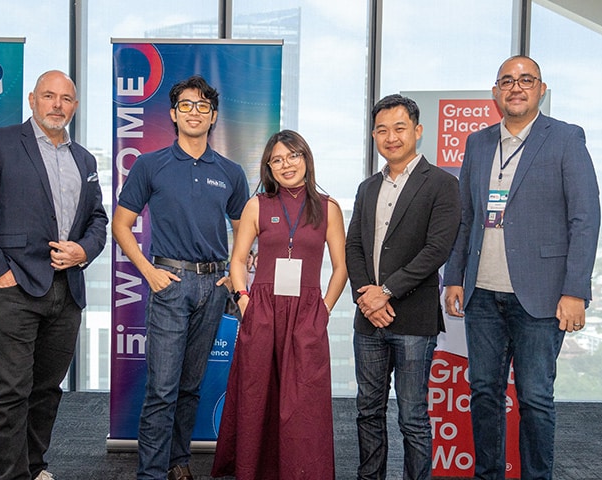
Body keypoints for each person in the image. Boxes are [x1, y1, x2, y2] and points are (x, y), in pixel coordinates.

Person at [443, 55, 601, 480]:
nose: (516, 87)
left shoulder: (566, 138)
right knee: (484, 394)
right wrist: (454, 277)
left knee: (534, 398)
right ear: (495, 92)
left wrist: (575, 291)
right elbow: (466, 216)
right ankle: (488, 475)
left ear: (541, 89)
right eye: (507, 81)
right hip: (482, 296)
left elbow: (584, 218)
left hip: (542, 297)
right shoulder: (477, 143)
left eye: (525, 80)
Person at [0, 70, 108, 480]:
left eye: (66, 98)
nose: (57, 104)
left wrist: (84, 250)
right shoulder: (0, 143)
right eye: (49, 96)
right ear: (32, 100)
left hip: (66, 292)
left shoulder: (85, 159)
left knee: (45, 392)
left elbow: (97, 220)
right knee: (10, 392)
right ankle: (11, 475)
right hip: (12, 289)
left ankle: (34, 468)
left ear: (74, 106)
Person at [111, 75, 249, 480]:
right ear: (173, 114)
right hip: (169, 283)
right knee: (162, 389)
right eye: (186, 105)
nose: (194, 112)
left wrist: (231, 277)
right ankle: (151, 473)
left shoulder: (230, 171)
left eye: (202, 106)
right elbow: (121, 225)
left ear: (213, 117)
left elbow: (244, 228)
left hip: (214, 286)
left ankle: (178, 460)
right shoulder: (151, 164)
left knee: (190, 386)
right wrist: (149, 271)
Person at [211, 130, 347, 479]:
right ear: (268, 167)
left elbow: (342, 267)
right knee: (258, 396)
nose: (286, 164)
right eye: (277, 159)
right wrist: (244, 300)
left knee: (304, 402)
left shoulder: (328, 208)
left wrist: (325, 309)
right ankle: (255, 470)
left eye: (293, 156)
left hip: (306, 314)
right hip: (263, 311)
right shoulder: (257, 205)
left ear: (306, 158)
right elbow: (238, 260)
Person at [346, 94, 461, 480]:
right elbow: (354, 247)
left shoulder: (443, 184)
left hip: (413, 319)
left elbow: (436, 249)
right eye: (382, 130)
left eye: (399, 128)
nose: (390, 137)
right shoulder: (366, 188)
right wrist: (367, 296)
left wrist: (386, 291)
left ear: (418, 131)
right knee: (367, 411)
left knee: (412, 415)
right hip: (369, 320)